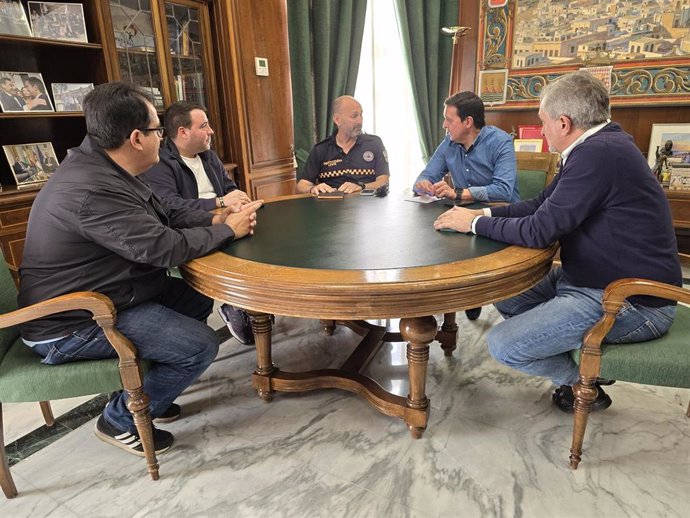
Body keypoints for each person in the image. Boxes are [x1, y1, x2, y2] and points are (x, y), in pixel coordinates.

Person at [18, 82, 263, 456]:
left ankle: (152, 395)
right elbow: (162, 248)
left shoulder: (106, 166)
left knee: (196, 295)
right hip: (71, 321)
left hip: (112, 292)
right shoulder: (92, 190)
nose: (161, 139)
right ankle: (118, 420)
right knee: (199, 346)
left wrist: (216, 216)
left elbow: (165, 213)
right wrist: (228, 230)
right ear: (136, 137)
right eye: (157, 131)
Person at [433, 71, 681, 412]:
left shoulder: (598, 155)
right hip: (589, 281)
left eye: (543, 122)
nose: (543, 130)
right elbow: (539, 206)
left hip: (627, 299)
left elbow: (539, 231)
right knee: (504, 288)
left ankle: (583, 383)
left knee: (505, 345)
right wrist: (486, 214)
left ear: (563, 123)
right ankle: (569, 348)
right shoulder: (596, 146)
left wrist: (473, 224)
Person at [141, 101, 256, 345]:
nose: (211, 131)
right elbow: (171, 207)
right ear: (183, 132)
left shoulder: (209, 156)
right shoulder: (159, 163)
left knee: (257, 241)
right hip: (191, 231)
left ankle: (247, 304)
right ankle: (235, 303)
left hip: (222, 219)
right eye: (204, 126)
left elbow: (230, 189)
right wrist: (220, 203)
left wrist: (237, 204)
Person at [413, 91, 519, 203]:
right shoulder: (449, 142)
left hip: (501, 214)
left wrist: (458, 193)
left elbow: (503, 190)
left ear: (468, 122)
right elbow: (428, 175)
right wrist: (423, 184)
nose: (444, 125)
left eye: (449, 120)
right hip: (465, 212)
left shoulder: (500, 141)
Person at [296, 95, 390, 195]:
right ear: (337, 119)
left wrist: (361, 186)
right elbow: (302, 185)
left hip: (366, 206)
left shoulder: (374, 144)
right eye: (354, 116)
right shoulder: (321, 149)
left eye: (361, 115)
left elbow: (384, 181)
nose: (360, 121)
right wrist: (313, 188)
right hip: (331, 207)